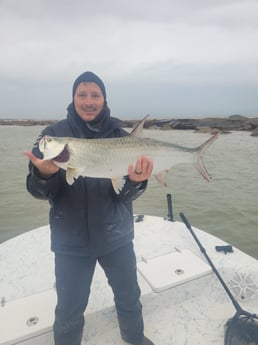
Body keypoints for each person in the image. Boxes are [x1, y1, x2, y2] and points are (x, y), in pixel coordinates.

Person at [24, 71, 155, 345]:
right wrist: (44, 175)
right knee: (69, 309)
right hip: (70, 241)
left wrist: (135, 182)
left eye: (95, 95)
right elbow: (37, 191)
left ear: (104, 99)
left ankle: (134, 339)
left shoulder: (122, 137)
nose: (88, 101)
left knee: (129, 297)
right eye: (82, 94)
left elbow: (126, 195)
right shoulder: (52, 137)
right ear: (73, 98)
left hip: (116, 236)